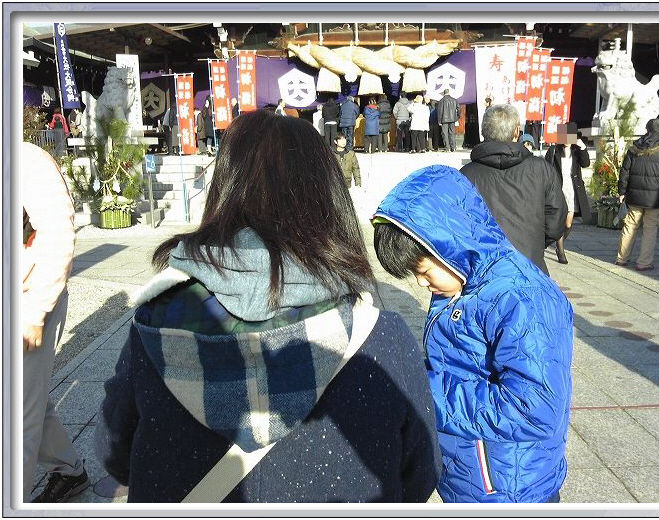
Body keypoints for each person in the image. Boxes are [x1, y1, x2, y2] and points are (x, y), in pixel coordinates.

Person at [95, 110, 441, 503]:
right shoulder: (382, 337)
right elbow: (421, 474)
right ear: (330, 199)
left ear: (223, 190)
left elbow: (114, 450)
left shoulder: (158, 321)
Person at [372, 164, 573, 503]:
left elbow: (535, 409)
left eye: (423, 270)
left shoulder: (522, 298)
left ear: (451, 243)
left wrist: (421, 390)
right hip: (471, 476)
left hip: (509, 490)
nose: (421, 283)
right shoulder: (460, 281)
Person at [22, 142, 89, 502]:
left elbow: (59, 234)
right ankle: (68, 469)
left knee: (16, 417)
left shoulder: (26, 159)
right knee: (27, 400)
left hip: (27, 300)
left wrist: (36, 313)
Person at [460, 104, 567, 275]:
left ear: (483, 132)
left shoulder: (466, 175)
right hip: (529, 265)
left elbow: (458, 225)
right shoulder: (541, 169)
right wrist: (534, 242)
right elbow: (556, 220)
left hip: (484, 269)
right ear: (517, 132)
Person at [615, 118, 659, 271]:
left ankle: (622, 258)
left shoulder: (634, 148)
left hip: (634, 196)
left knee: (630, 226)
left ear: (646, 129)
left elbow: (625, 171)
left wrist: (622, 192)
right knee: (650, 229)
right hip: (655, 198)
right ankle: (644, 262)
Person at [544, 125, 591, 264]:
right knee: (559, 219)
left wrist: (583, 148)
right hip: (558, 188)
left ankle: (558, 242)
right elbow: (546, 168)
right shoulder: (554, 150)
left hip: (572, 187)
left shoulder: (577, 150)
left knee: (568, 224)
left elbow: (586, 164)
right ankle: (560, 250)